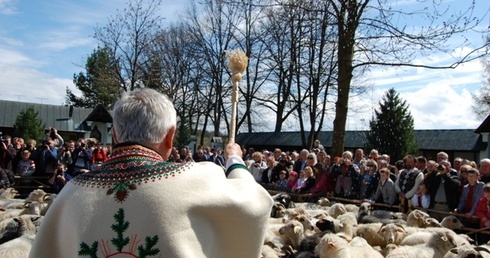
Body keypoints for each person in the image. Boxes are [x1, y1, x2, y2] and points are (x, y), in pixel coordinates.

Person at [29, 88, 273, 258]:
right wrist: (235, 159)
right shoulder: (197, 178)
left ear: (114, 136)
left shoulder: (72, 192)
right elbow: (253, 202)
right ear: (170, 136)